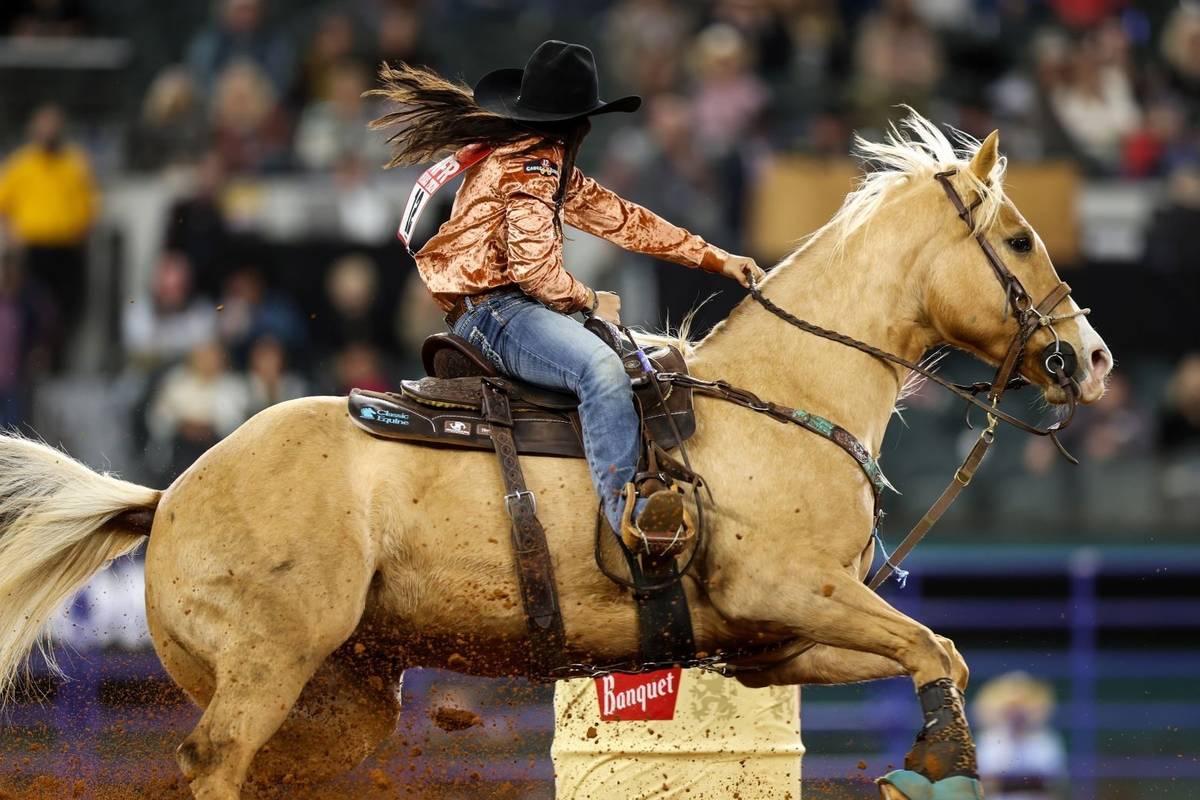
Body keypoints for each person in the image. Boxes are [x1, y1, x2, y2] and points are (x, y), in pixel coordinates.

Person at [370, 40, 764, 544]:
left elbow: (622, 217)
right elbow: (534, 270)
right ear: (579, 122)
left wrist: (715, 257)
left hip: (501, 308)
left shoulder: (536, 157)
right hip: (499, 313)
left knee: (636, 360)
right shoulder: (532, 166)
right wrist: (591, 300)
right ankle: (629, 514)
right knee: (601, 370)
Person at [0, 104, 98, 368]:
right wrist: (12, 236)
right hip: (33, 249)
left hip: (66, 250)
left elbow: (89, 205)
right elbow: (4, 205)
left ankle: (59, 364)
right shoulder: (21, 165)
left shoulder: (74, 163)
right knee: (31, 308)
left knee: (68, 312)